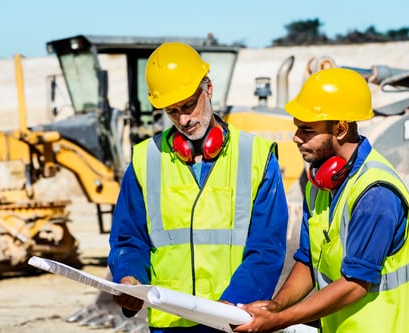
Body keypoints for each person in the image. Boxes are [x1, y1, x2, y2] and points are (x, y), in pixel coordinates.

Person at [233, 67, 409, 333]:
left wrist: (280, 321)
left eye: (307, 129)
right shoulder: (319, 185)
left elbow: (355, 284)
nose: (296, 137)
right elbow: (308, 260)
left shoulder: (375, 194)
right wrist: (276, 306)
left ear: (340, 128)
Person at [108, 41, 289, 333]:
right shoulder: (145, 160)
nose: (183, 119)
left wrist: (234, 304)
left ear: (209, 88)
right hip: (170, 322)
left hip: (233, 319)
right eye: (172, 110)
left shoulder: (256, 156)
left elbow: (267, 247)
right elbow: (129, 239)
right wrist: (129, 277)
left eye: (189, 105)